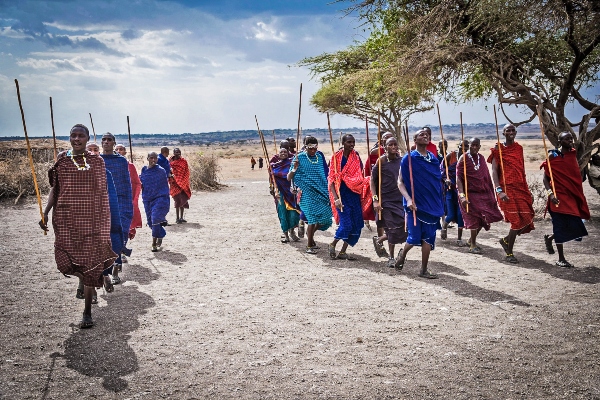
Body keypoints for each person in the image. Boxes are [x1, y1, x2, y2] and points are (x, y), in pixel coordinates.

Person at [40, 124, 117, 329]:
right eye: (73, 135)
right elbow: (55, 190)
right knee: (64, 262)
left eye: (80, 136)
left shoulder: (97, 162)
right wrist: (45, 212)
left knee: (90, 262)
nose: (76, 139)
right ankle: (85, 278)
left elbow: (102, 195)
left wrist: (103, 223)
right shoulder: (62, 161)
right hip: (66, 220)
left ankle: (87, 312)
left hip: (91, 221)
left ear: (87, 138)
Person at [394, 129, 444, 278]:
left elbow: (435, 180)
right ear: (414, 140)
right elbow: (400, 182)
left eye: (426, 134)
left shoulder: (433, 159)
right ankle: (402, 254)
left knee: (428, 238)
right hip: (415, 204)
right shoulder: (409, 159)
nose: (425, 136)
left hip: (432, 204)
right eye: (421, 135)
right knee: (414, 238)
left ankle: (423, 270)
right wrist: (408, 199)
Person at [541, 132, 590, 268]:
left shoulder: (573, 154)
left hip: (571, 196)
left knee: (575, 225)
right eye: (566, 139)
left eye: (571, 138)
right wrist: (551, 195)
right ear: (559, 141)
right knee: (560, 225)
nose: (570, 141)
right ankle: (561, 259)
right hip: (557, 197)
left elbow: (574, 175)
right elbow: (545, 178)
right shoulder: (553, 156)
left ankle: (551, 237)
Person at [488, 124, 535, 263]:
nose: (511, 132)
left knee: (527, 218)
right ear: (503, 133)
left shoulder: (519, 148)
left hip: (520, 187)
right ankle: (509, 253)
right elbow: (494, 171)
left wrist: (527, 190)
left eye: (513, 130)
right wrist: (499, 190)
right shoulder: (499, 149)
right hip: (505, 189)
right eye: (508, 130)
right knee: (515, 221)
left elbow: (522, 170)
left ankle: (505, 240)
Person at [456, 138, 504, 254]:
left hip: (482, 193)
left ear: (479, 147)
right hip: (470, 194)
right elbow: (458, 178)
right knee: (474, 219)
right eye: (472, 145)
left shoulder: (481, 158)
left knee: (484, 218)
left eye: (477, 145)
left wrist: (491, 193)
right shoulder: (463, 158)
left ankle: (470, 240)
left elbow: (485, 176)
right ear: (469, 145)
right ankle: (473, 245)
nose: (474, 147)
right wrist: (462, 196)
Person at [327, 134, 370, 260]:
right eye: (349, 142)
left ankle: (343, 252)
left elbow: (359, 175)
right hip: (342, 195)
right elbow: (331, 180)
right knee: (346, 224)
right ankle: (332, 244)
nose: (352, 145)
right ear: (343, 143)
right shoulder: (336, 158)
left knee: (356, 224)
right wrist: (336, 199)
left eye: (353, 142)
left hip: (355, 195)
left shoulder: (355, 157)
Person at [288, 136, 333, 254]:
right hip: (306, 193)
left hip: (321, 192)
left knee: (326, 218)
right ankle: (309, 246)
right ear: (305, 146)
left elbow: (325, 173)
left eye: (315, 148)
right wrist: (295, 168)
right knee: (312, 219)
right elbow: (289, 177)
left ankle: (310, 236)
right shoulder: (299, 157)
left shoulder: (319, 156)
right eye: (310, 148)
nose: (313, 150)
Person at [100, 133, 133, 284]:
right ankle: (106, 272)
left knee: (118, 237)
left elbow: (127, 185)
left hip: (121, 204)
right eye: (104, 140)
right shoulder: (97, 161)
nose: (106, 142)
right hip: (102, 205)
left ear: (114, 143)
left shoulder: (121, 162)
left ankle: (115, 271)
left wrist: (127, 207)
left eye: (109, 140)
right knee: (105, 239)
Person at [371, 137, 408, 267]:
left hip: (399, 200)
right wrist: (375, 201)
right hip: (385, 201)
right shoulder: (381, 161)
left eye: (395, 145)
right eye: (390, 145)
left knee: (405, 227)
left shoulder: (402, 161)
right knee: (391, 229)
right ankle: (391, 257)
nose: (393, 147)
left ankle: (380, 239)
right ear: (384, 147)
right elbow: (372, 181)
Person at [367, 132, 394, 258]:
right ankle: (382, 245)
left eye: (390, 139)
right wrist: (375, 198)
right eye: (386, 139)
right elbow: (369, 175)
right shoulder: (376, 155)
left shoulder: (397, 156)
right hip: (379, 194)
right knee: (381, 220)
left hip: (395, 195)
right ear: (381, 141)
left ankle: (380, 240)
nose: (388, 141)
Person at [140, 152, 171, 252]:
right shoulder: (144, 170)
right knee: (150, 222)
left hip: (160, 198)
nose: (153, 160)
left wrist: (164, 197)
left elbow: (164, 185)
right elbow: (142, 181)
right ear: (148, 158)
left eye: (155, 158)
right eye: (151, 158)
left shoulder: (161, 171)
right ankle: (161, 234)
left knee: (155, 218)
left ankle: (154, 243)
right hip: (147, 198)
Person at [440, 140, 468, 246]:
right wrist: (445, 178)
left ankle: (459, 238)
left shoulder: (468, 158)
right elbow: (442, 169)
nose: (464, 148)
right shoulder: (451, 155)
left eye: (466, 147)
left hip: (461, 190)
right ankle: (444, 227)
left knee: (460, 214)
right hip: (450, 189)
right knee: (451, 214)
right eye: (462, 146)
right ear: (459, 146)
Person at [271, 148, 300, 242]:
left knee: (294, 214)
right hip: (280, 193)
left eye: (285, 152)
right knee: (282, 213)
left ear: (288, 154)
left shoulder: (292, 163)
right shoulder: (274, 166)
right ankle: (285, 234)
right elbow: (272, 180)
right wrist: (274, 190)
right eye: (281, 152)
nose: (283, 153)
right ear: (278, 154)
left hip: (291, 192)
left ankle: (292, 231)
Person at [115, 144, 143, 242]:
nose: (119, 151)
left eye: (121, 149)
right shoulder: (108, 164)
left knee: (125, 225)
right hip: (113, 199)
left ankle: (122, 247)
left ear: (125, 152)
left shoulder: (130, 166)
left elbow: (137, 183)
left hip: (126, 199)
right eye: (117, 149)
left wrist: (134, 200)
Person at [169, 148, 192, 224]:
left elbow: (186, 172)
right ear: (173, 153)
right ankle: (177, 218)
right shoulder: (170, 162)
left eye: (179, 152)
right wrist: (173, 179)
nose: (178, 153)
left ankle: (182, 218)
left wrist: (184, 182)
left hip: (183, 184)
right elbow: (169, 172)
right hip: (174, 184)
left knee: (183, 200)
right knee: (177, 201)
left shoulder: (183, 161)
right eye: (176, 152)